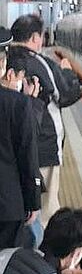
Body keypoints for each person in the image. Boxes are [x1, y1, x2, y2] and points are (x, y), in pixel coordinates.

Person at [9, 15, 82, 227]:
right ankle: (43, 257)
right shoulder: (39, 63)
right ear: (34, 37)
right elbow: (68, 93)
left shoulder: (5, 59)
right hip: (43, 147)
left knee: (21, 207)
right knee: (47, 209)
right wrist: (68, 73)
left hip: (11, 151)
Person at [0, 27, 41, 249]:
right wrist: (33, 202)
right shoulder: (18, 104)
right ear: (2, 64)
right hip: (8, 205)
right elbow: (28, 157)